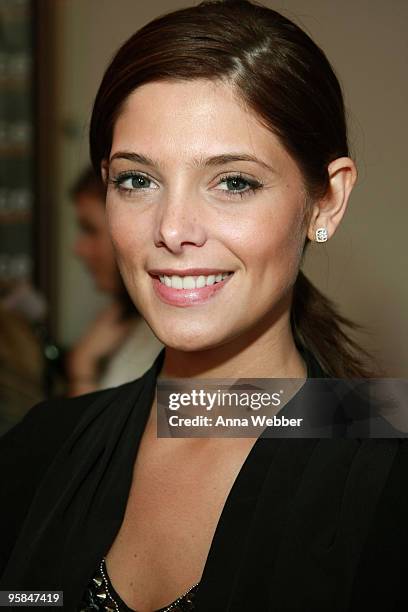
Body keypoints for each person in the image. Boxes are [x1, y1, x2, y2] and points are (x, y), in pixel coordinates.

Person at [1, 1, 407, 611]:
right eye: (137, 180)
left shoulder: (385, 474)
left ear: (326, 202)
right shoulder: (40, 451)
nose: (172, 229)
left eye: (234, 182)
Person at [66, 167, 163, 395]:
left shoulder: (175, 331)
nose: (78, 249)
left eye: (90, 230)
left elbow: (198, 425)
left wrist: (82, 369)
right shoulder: (127, 321)